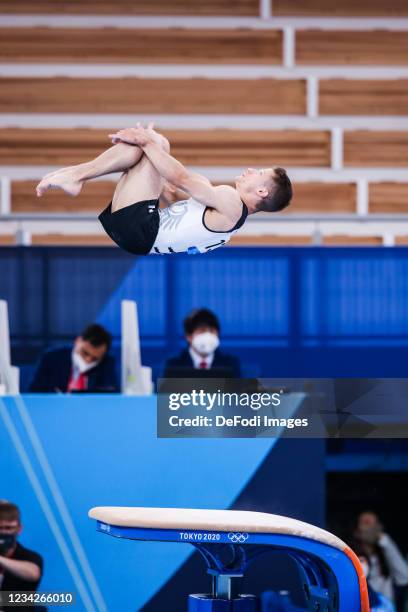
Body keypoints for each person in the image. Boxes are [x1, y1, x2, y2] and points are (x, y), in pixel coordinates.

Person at [35, 124, 292, 256]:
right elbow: (173, 194)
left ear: (262, 193)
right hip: (138, 237)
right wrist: (151, 159)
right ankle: (75, 176)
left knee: (155, 142)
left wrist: (148, 142)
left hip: (141, 229)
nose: (250, 170)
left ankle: (75, 175)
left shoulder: (230, 201)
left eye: (259, 173)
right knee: (150, 147)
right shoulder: (228, 223)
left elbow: (180, 177)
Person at [30, 323, 118, 393]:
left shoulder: (107, 364)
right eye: (85, 353)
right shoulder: (51, 358)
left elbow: (110, 397)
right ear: (78, 341)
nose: (88, 360)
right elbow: (35, 392)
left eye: (94, 359)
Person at [353, 511, 408, 610]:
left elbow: (404, 577)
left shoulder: (385, 558)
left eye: (374, 524)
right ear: (357, 531)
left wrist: (382, 538)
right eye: (366, 523)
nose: (372, 528)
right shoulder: (352, 559)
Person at [164, 308, 241, 376]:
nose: (208, 336)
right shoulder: (174, 365)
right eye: (202, 331)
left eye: (212, 331)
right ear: (189, 336)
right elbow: (166, 392)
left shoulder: (230, 364)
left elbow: (237, 391)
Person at [0, 501, 43, 609]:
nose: (3, 532)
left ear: (19, 528)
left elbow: (33, 573)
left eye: (8, 528)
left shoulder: (30, 557)